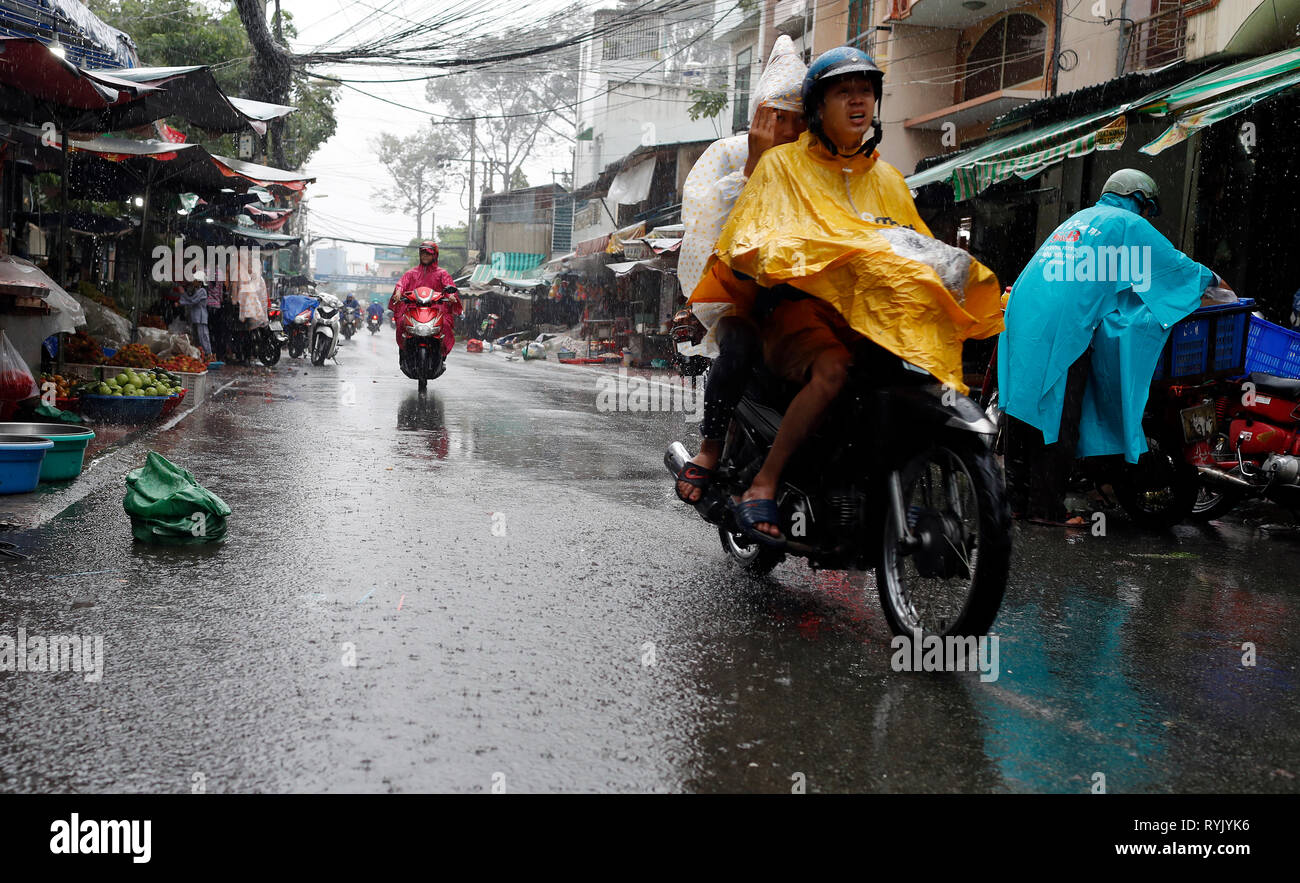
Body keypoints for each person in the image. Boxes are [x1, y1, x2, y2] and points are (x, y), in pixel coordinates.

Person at [686, 46, 1004, 544]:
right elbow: (748, 239)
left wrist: (952, 275)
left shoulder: (888, 178)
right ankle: (763, 483)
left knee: (911, 373)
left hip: (865, 317)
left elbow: (909, 243)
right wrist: (806, 259)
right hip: (793, 312)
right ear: (817, 108)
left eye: (867, 91)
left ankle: (886, 487)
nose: (859, 101)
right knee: (832, 368)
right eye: (844, 91)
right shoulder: (781, 167)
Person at [999, 168, 1231, 526]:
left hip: (1022, 311)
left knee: (1024, 409)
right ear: (1138, 198)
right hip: (1062, 323)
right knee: (1060, 414)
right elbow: (1171, 266)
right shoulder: (1126, 223)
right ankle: (1046, 510)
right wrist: (1217, 284)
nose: (1145, 216)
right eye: (1146, 208)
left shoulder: (1080, 219)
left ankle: (1014, 502)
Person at [672, 35, 808, 505]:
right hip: (738, 291)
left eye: (800, 118)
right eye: (779, 116)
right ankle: (710, 448)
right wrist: (755, 163)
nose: (789, 128)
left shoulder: (819, 163)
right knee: (740, 344)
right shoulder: (729, 155)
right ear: (761, 115)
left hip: (807, 293)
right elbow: (707, 223)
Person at [390, 241, 462, 374]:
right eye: (423, 253)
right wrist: (399, 292)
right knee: (401, 323)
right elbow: (401, 283)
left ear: (435, 255)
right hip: (413, 308)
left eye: (428, 254)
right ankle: (404, 351)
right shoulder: (411, 273)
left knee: (445, 325)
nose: (425, 256)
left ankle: (442, 354)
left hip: (437, 308)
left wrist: (451, 295)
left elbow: (449, 286)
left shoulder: (442, 273)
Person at [179, 270, 211, 356]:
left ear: (199, 281)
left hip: (200, 317)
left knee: (203, 337)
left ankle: (208, 354)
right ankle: (202, 354)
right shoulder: (198, 290)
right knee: (198, 337)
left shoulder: (202, 291)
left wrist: (183, 295)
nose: (193, 281)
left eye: (195, 280)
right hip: (196, 317)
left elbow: (192, 301)